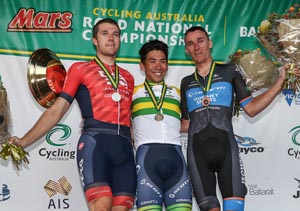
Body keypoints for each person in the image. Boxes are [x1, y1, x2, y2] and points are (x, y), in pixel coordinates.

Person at [8, 18, 136, 211]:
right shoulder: (80, 69)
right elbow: (56, 110)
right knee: (101, 206)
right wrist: (24, 141)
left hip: (125, 149)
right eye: (105, 33)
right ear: (94, 40)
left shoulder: (128, 76)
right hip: (96, 145)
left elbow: (129, 118)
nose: (111, 38)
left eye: (115, 34)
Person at [180, 26, 295, 211]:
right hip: (197, 155)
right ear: (186, 50)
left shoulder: (229, 71)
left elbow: (251, 108)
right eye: (190, 44)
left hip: (227, 152)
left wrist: (280, 82)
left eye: (200, 40)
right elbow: (185, 124)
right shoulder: (186, 82)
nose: (196, 47)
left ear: (210, 43)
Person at [131, 39, 193, 211]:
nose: (158, 66)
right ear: (142, 66)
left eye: (163, 61)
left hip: (176, 158)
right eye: (152, 61)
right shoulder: (132, 92)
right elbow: (121, 122)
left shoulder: (178, 92)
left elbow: (187, 124)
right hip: (146, 161)